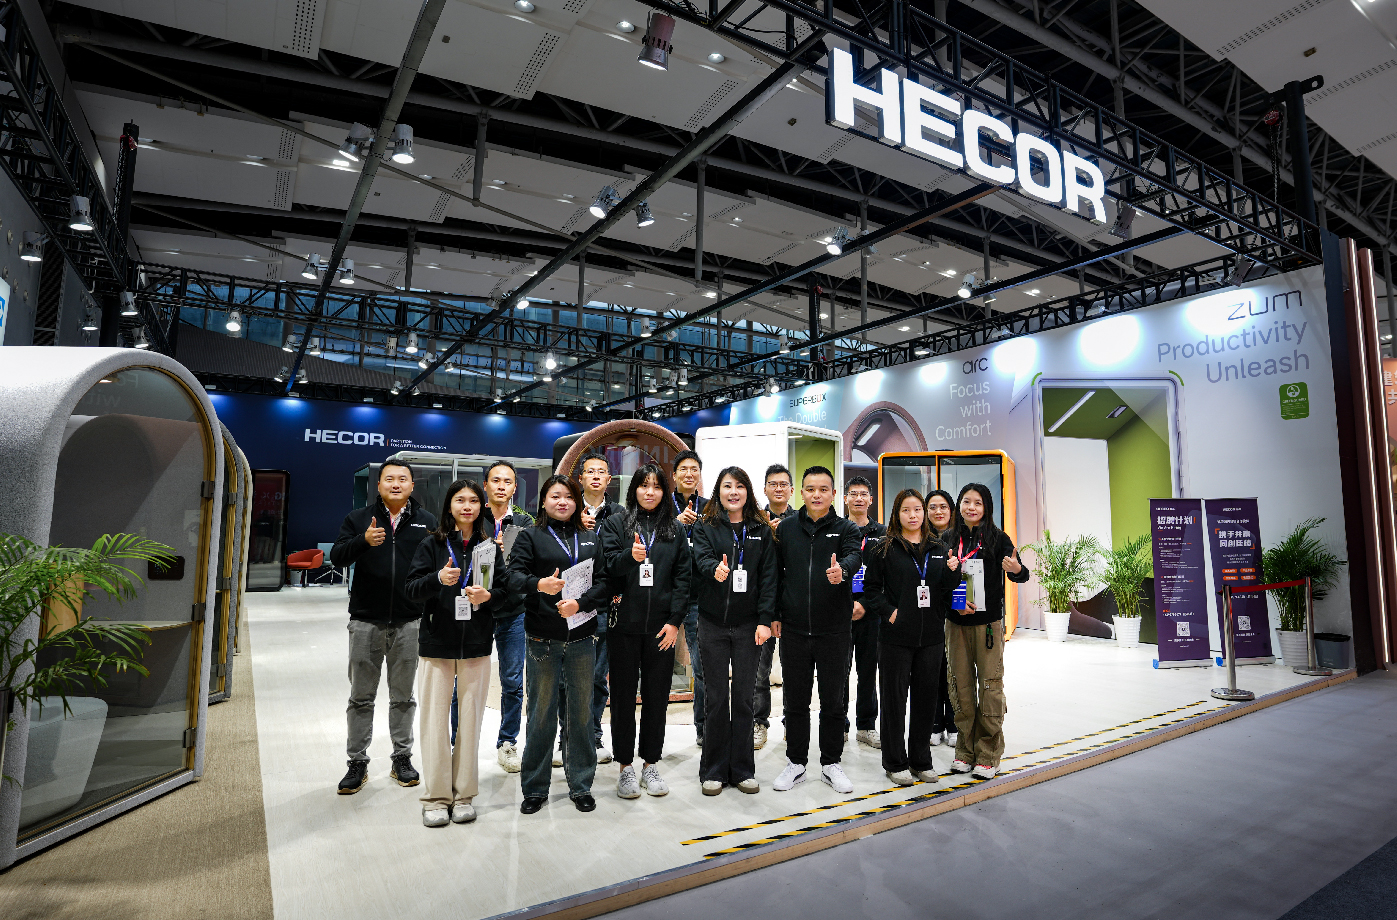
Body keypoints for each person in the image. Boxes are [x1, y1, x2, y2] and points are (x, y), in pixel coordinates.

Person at [506, 475, 615, 814]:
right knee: (541, 715)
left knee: (580, 715)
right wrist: (539, 584)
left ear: (576, 501)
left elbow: (605, 582)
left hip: (582, 639)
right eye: (555, 496)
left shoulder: (590, 537)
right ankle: (535, 788)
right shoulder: (530, 537)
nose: (563, 501)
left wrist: (581, 604)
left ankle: (581, 785)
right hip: (543, 639)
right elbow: (511, 577)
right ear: (543, 501)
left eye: (568, 496)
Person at [329, 459, 436, 795]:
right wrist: (362, 541)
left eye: (402, 479)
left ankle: (402, 758)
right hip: (365, 621)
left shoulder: (427, 522)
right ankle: (357, 762)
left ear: (412, 485)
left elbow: (436, 568)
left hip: (409, 621)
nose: (395, 484)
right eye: (389, 479)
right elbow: (338, 557)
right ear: (379, 485)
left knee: (403, 697)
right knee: (361, 697)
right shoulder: (358, 519)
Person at [405, 479, 500, 826]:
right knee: (434, 723)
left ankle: (464, 795)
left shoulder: (489, 548)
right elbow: (411, 589)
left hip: (476, 645)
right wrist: (437, 580)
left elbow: (505, 593)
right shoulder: (431, 544)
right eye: (460, 500)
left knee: (470, 723)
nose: (467, 506)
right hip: (437, 644)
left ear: (480, 507)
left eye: (473, 500)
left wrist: (488, 597)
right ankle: (435, 797)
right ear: (449, 505)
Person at [599, 464, 691, 799]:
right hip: (623, 626)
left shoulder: (674, 528)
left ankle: (651, 763)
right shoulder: (617, 523)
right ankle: (625, 766)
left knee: (656, 698)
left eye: (656, 486)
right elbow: (607, 566)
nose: (649, 492)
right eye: (643, 485)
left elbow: (683, 578)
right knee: (623, 699)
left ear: (664, 491)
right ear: (634, 489)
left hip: (661, 630)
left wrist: (675, 621)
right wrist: (630, 556)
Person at [771, 466, 863, 795]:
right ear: (802, 493)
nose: (816, 494)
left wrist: (843, 571)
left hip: (834, 629)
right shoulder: (786, 529)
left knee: (833, 701)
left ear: (834, 494)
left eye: (823, 489)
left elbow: (854, 556)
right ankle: (796, 763)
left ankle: (830, 763)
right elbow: (775, 574)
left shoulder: (847, 528)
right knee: (795, 701)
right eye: (810, 489)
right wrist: (775, 613)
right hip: (794, 628)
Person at [862, 489, 957, 786]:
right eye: (906, 510)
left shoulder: (939, 547)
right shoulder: (884, 548)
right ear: (897, 514)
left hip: (931, 638)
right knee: (894, 702)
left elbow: (945, 589)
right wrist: (889, 613)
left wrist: (953, 572)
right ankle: (895, 762)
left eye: (918, 509)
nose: (913, 515)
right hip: (895, 637)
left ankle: (921, 761)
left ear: (924, 513)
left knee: (926, 701)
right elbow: (870, 589)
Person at [692, 466, 777, 795]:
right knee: (715, 699)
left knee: (743, 699)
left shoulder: (761, 529)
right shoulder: (706, 525)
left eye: (740, 486)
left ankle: (742, 769)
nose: (733, 492)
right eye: (727, 486)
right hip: (712, 623)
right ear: (719, 491)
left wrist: (765, 620)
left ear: (747, 492)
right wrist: (713, 568)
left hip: (748, 627)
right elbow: (701, 558)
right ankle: (713, 770)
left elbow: (769, 578)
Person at [945, 483, 1030, 781]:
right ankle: (964, 751)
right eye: (966, 502)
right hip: (956, 624)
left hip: (988, 625)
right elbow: (938, 581)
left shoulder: (997, 538)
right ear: (959, 505)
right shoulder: (947, 539)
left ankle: (989, 754)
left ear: (986, 507)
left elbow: (1021, 574)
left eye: (977, 503)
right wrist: (953, 594)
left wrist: (1015, 568)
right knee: (960, 686)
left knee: (990, 686)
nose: (971, 508)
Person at [574, 450, 625, 764]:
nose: (595, 476)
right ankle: (567, 738)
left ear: (609, 479)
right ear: (580, 478)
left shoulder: (619, 513)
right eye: (590, 471)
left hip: (605, 602)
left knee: (596, 676)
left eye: (601, 472)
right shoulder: (566, 507)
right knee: (568, 677)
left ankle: (592, 735)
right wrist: (577, 528)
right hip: (571, 603)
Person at [482, 460, 533, 773]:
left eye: (507, 481)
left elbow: (530, 564)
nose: (501, 486)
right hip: (478, 610)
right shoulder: (473, 516)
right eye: (496, 480)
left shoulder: (524, 522)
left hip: (514, 611)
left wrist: (509, 556)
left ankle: (507, 743)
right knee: (466, 681)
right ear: (486, 485)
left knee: (512, 681)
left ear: (515, 487)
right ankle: (459, 742)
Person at [754, 463, 797, 750]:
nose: (778, 488)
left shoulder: (801, 520)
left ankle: (791, 722)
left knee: (794, 670)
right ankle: (759, 722)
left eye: (783, 484)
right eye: (773, 484)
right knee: (760, 670)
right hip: (763, 606)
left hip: (793, 606)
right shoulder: (755, 520)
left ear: (791, 490)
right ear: (765, 489)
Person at [844, 475, 886, 750]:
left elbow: (886, 576)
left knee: (868, 671)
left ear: (870, 500)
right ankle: (839, 725)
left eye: (863, 494)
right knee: (839, 672)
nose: (858, 498)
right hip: (841, 612)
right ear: (845, 498)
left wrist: (865, 605)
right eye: (853, 493)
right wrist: (847, 604)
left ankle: (866, 726)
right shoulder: (837, 529)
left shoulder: (883, 533)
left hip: (871, 613)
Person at [672, 450, 708, 747]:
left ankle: (704, 728)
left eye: (694, 469)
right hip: (666, 597)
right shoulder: (662, 507)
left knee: (702, 667)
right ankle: (652, 735)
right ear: (674, 475)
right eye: (683, 469)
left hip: (699, 597)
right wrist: (675, 522)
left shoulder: (710, 508)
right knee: (655, 669)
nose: (689, 474)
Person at [924, 489, 959, 749]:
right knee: (931, 671)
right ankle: (934, 723)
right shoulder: (920, 540)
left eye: (943, 507)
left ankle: (954, 724)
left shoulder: (960, 540)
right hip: (928, 614)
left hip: (957, 613)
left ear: (951, 511)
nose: (938, 512)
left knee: (955, 671)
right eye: (933, 507)